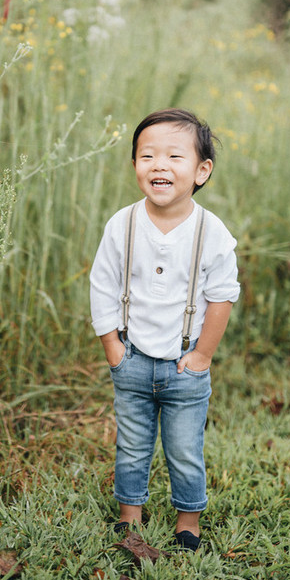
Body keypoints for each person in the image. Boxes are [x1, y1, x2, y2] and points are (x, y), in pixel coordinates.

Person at [90, 108, 240, 551]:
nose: (159, 165)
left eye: (175, 156)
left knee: (185, 450)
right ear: (135, 165)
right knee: (132, 446)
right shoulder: (122, 224)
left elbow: (222, 297)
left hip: (184, 366)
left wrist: (202, 356)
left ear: (201, 171)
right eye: (147, 155)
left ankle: (188, 521)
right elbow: (103, 284)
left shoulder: (212, 232)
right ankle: (129, 517)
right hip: (132, 359)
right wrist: (112, 345)